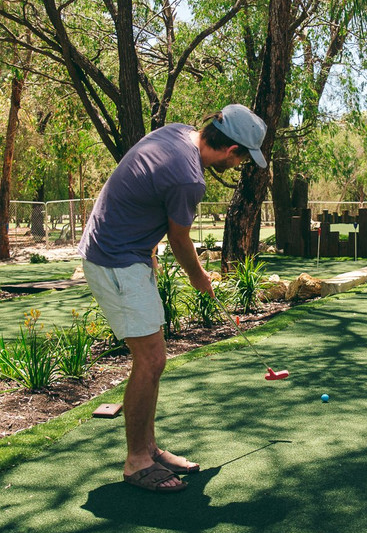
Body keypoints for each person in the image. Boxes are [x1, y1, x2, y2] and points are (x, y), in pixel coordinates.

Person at [78, 104, 268, 493]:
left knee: (154, 359)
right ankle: (137, 462)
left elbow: (143, 191)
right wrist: (200, 279)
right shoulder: (189, 180)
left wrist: (148, 250)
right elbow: (180, 240)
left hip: (123, 250)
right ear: (232, 150)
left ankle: (148, 449)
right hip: (115, 258)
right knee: (150, 360)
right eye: (243, 160)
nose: (239, 166)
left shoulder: (178, 132)